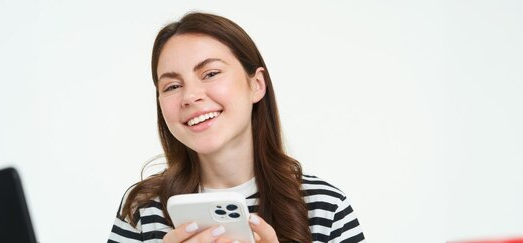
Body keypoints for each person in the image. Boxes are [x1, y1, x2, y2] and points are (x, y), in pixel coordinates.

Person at [108, 12, 365, 243]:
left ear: (257, 85)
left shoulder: (325, 207)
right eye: (172, 86)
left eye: (210, 73)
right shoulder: (142, 209)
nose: (190, 96)